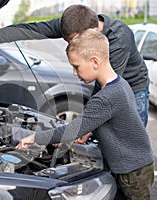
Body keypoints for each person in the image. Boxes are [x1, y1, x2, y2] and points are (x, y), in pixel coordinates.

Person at [15, 29, 155, 200]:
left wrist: (34, 138)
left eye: (76, 66)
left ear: (94, 61)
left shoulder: (106, 97)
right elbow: (118, 122)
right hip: (136, 164)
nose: (74, 73)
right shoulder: (120, 84)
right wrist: (90, 130)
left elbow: (72, 129)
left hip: (133, 172)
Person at [0, 4, 150, 127]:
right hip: (107, 89)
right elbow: (28, 30)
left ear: (91, 32)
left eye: (74, 41)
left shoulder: (118, 39)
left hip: (134, 90)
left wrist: (84, 127)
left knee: (129, 145)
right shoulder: (73, 24)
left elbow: (105, 90)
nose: (71, 46)